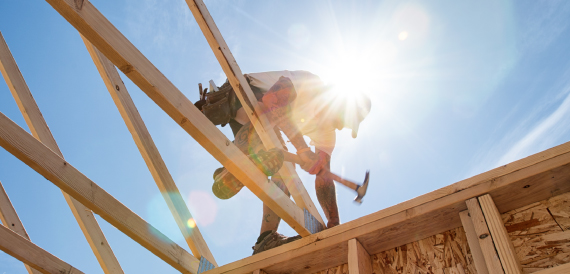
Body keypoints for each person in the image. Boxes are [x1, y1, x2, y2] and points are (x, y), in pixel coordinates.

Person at [195, 70, 371, 254]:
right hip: (243, 95)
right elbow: (273, 101)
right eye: (344, 120)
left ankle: (265, 238)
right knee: (269, 117)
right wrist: (302, 149)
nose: (341, 126)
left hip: (252, 126)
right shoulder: (311, 84)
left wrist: (333, 223)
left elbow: (324, 178)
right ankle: (234, 165)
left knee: (284, 169)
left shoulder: (327, 133)